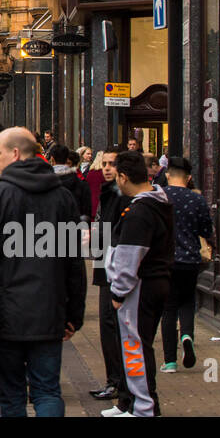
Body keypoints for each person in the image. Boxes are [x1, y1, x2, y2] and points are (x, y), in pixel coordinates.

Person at [0, 127, 86, 417]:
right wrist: (73, 314)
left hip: (6, 313)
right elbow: (73, 260)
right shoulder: (62, 198)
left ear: (16, 154)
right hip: (49, 309)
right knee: (47, 391)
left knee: (12, 395)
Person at [102, 150, 173, 418]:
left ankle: (143, 407)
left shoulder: (140, 211)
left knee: (135, 347)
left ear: (123, 176)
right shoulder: (157, 203)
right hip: (152, 283)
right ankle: (133, 403)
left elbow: (131, 254)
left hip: (140, 287)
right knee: (137, 345)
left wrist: (119, 290)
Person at [158, 157, 212, 374]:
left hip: (166, 259)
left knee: (168, 308)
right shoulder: (196, 199)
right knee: (187, 302)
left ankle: (170, 361)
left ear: (168, 175)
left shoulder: (160, 197)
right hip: (190, 260)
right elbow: (206, 230)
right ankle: (187, 335)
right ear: (189, 178)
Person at [88, 148, 126, 402]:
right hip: (105, 267)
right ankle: (115, 382)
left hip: (117, 272)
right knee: (107, 327)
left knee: (115, 329)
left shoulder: (124, 198)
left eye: (112, 164)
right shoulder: (107, 193)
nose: (107, 168)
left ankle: (120, 385)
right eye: (104, 163)